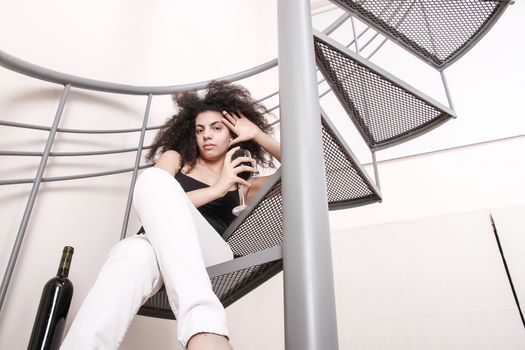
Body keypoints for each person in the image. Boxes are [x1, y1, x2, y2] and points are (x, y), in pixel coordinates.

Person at [60, 81, 281, 350]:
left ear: (232, 132)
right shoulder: (177, 158)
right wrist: (216, 189)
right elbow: (155, 197)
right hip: (153, 247)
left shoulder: (245, 182)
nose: (206, 136)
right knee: (132, 250)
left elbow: (306, 167)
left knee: (151, 193)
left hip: (209, 256)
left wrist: (258, 135)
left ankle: (204, 324)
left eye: (216, 127)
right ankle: (204, 331)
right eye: (200, 129)